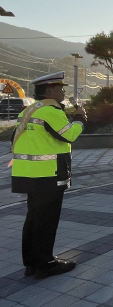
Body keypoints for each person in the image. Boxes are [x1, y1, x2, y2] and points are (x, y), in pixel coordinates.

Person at [11, 72, 86, 278]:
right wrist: (79, 119)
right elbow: (69, 135)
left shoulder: (28, 110)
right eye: (60, 88)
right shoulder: (51, 111)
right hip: (48, 175)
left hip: (27, 173)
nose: (63, 91)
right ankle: (46, 263)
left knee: (34, 218)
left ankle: (32, 264)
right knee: (47, 220)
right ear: (50, 90)